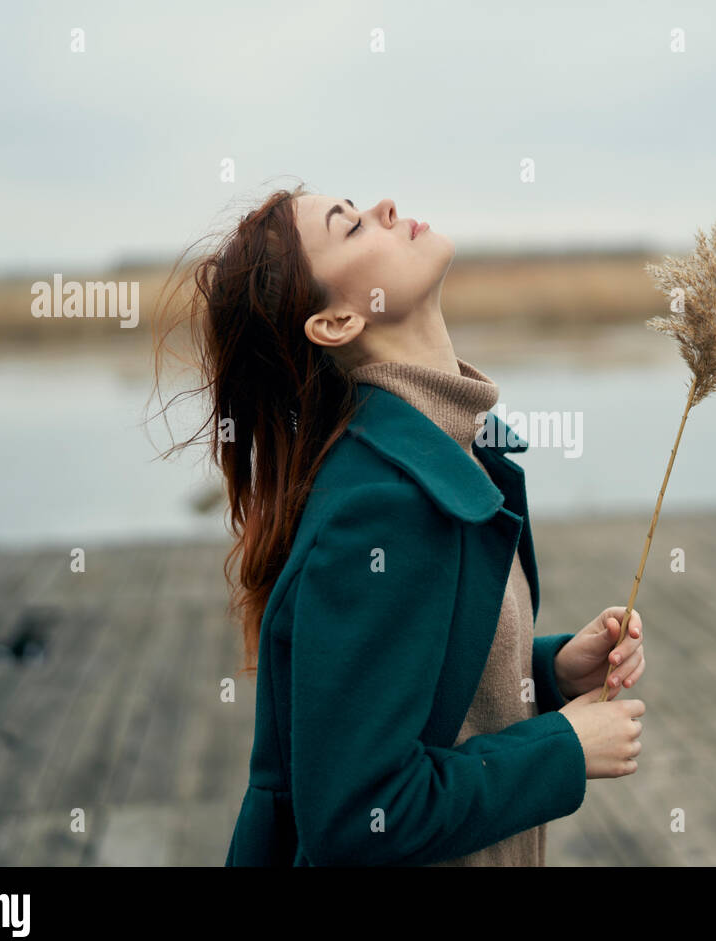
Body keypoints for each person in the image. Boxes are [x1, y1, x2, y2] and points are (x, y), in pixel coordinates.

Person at [153, 184, 647, 865]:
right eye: (349, 227)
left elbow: (420, 701)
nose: (385, 207)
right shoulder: (382, 505)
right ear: (335, 323)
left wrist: (547, 673)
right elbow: (360, 814)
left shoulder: (443, 451)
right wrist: (561, 748)